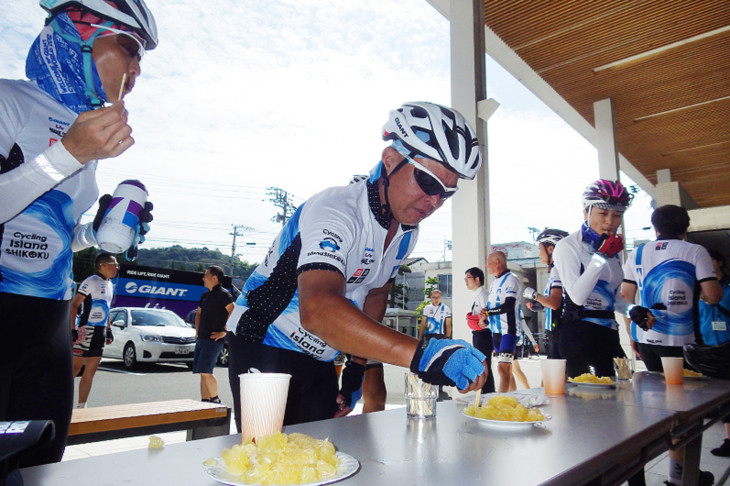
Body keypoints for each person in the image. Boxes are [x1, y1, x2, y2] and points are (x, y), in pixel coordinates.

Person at [225, 102, 488, 430]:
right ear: (390, 161)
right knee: (267, 465)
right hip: (264, 342)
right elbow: (318, 310)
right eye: (429, 183)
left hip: (321, 354)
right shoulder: (338, 209)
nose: (435, 201)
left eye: (446, 193)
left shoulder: (407, 233)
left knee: (318, 463)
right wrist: (425, 355)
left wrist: (355, 369)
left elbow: (375, 295)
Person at [0, 0, 157, 467]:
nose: (136, 69)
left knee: (40, 469)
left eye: (141, 59)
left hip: (48, 325)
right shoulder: (9, 101)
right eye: (128, 47)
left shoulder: (81, 129)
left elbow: (48, 237)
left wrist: (95, 232)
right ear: (78, 36)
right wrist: (66, 155)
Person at [622, 205, 722, 486]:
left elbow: (625, 297)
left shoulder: (638, 253)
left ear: (655, 228)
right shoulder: (694, 251)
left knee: (658, 407)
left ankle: (672, 472)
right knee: (685, 411)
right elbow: (713, 295)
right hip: (682, 343)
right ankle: (678, 476)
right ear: (685, 228)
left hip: (647, 340)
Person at [552, 179, 633, 379]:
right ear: (586, 212)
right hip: (579, 333)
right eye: (603, 213)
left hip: (609, 332)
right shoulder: (568, 246)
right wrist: (600, 257)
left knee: (623, 392)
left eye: (617, 215)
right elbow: (577, 296)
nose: (610, 221)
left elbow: (612, 298)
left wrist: (635, 310)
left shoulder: (612, 249)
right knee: (591, 402)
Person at [70, 253, 118, 408]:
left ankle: (81, 406)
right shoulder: (91, 281)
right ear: (103, 265)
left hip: (101, 330)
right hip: (86, 328)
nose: (117, 267)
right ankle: (61, 402)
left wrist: (109, 330)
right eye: (114, 264)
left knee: (90, 371)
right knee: (75, 369)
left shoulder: (110, 284)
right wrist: (72, 329)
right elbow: (74, 305)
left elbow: (107, 308)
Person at [699, 250, 730, 457]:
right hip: (707, 348)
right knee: (719, 396)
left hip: (728, 346)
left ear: (718, 262)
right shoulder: (696, 290)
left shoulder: (728, 287)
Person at [523, 229, 569, 358]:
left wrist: (534, 295)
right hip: (557, 330)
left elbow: (554, 303)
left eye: (539, 248)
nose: (538, 254)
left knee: (554, 375)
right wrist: (539, 305)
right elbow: (558, 302)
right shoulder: (560, 269)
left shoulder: (557, 269)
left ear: (550, 249)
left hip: (558, 330)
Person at [481, 251, 522, 393]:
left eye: (488, 262)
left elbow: (509, 305)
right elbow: (492, 307)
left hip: (508, 331)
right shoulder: (493, 283)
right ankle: (513, 398)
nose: (486, 266)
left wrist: (489, 312)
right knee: (506, 371)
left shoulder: (511, 279)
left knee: (502, 369)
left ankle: (499, 403)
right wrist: (484, 314)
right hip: (496, 331)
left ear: (497, 262)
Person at [194, 265, 234, 404]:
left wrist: (224, 331)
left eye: (205, 275)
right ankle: (204, 402)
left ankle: (215, 400)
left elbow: (233, 311)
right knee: (201, 372)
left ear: (214, 278)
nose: (203, 278)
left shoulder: (223, 294)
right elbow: (198, 313)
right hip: (202, 338)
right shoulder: (205, 296)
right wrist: (197, 332)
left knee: (206, 371)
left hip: (214, 340)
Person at [465, 267, 496, 393]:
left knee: (484, 366)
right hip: (478, 335)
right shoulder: (477, 295)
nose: (466, 281)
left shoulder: (484, 295)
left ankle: (488, 394)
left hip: (484, 335)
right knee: (482, 366)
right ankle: (486, 394)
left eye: (468, 278)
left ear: (477, 279)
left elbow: (491, 315)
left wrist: (484, 322)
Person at [418, 289, 452, 399]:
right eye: (434, 297)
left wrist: (447, 337)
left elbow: (448, 324)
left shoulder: (446, 308)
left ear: (441, 297)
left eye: (438, 297)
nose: (436, 299)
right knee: (428, 360)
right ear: (431, 297)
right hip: (430, 336)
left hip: (441, 337)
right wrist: (420, 337)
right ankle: (427, 383)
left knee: (440, 361)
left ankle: (440, 386)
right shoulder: (427, 308)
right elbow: (423, 323)